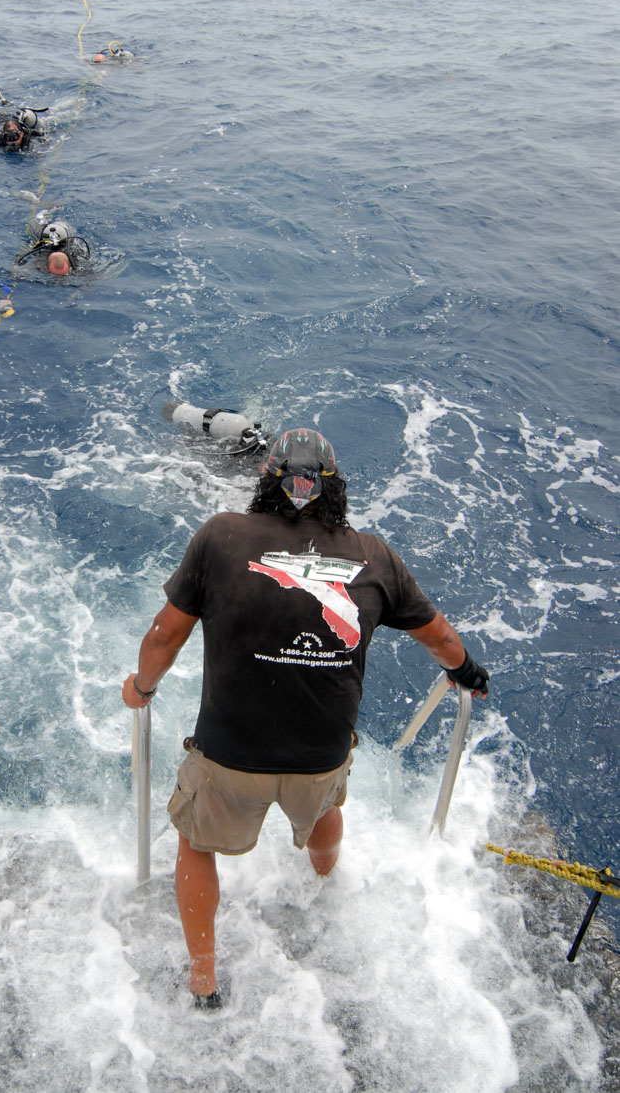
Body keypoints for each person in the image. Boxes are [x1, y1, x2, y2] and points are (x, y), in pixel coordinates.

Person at [121, 427, 489, 1010]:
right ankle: (325, 884)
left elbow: (164, 636)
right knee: (323, 807)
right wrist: (467, 673)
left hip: (229, 758)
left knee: (194, 841)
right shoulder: (373, 556)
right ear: (334, 488)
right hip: (320, 759)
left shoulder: (221, 535)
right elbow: (441, 639)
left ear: (266, 482)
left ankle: (204, 981)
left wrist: (141, 689)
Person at [14, 220, 91, 276]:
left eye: (63, 276)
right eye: (53, 275)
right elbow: (16, 273)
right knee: (32, 226)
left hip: (63, 232)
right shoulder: (39, 261)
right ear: (46, 267)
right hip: (43, 234)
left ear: (70, 268)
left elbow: (92, 278)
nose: (58, 281)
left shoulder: (77, 257)